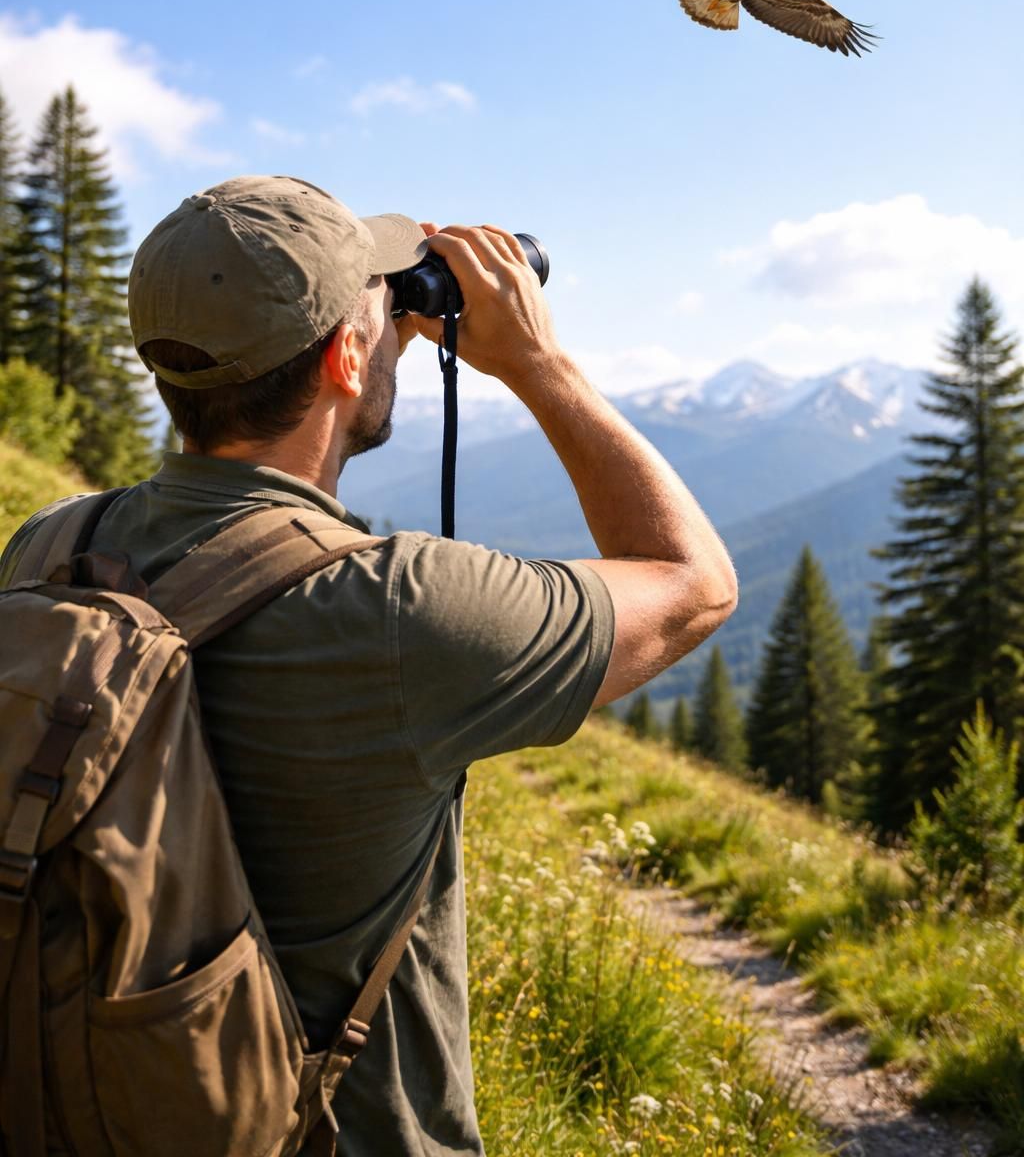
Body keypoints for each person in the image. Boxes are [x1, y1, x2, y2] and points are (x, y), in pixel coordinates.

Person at [1, 175, 737, 1155]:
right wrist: (539, 362)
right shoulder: (401, 610)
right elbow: (693, 583)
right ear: (349, 353)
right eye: (375, 314)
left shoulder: (48, 546)